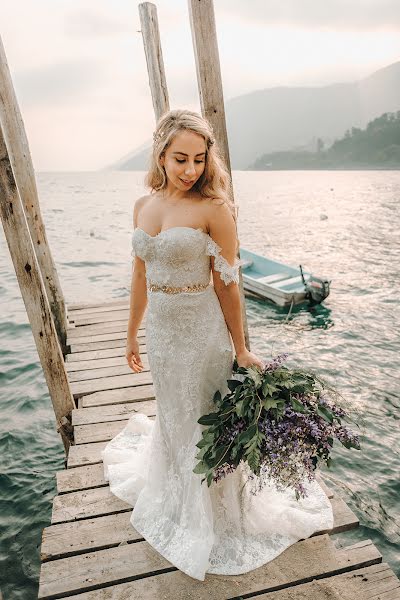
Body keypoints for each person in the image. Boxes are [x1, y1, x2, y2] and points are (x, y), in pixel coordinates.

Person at [101, 109, 334, 581]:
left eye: (199, 160)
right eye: (180, 159)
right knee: (172, 411)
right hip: (163, 331)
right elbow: (140, 273)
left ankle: (216, 509)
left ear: (209, 160)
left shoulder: (216, 210)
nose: (190, 170)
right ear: (161, 155)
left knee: (204, 412)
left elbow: (228, 285)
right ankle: (174, 493)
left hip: (202, 330)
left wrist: (241, 348)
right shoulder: (143, 206)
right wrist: (131, 331)